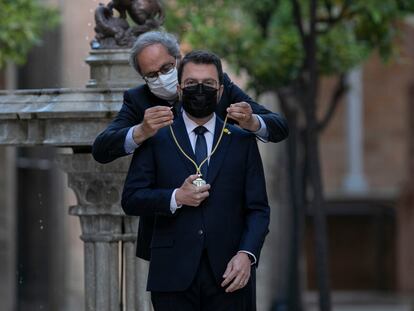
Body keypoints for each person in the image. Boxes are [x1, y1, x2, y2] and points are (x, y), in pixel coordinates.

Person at [122, 50, 270, 311]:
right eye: (191, 84)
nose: (200, 89)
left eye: (208, 84)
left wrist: (247, 255)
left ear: (221, 91)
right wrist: (175, 197)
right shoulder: (156, 137)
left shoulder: (242, 140)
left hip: (231, 275)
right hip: (171, 275)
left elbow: (258, 209)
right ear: (179, 89)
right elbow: (131, 199)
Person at [92, 31, 288, 165]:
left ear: (178, 59)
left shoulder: (214, 85)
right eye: (152, 75)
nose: (161, 77)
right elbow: (101, 150)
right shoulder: (138, 99)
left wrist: (252, 121)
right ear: (143, 77)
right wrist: (140, 131)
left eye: (167, 68)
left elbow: (279, 127)